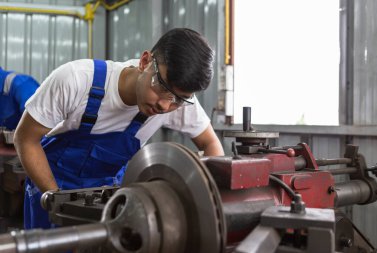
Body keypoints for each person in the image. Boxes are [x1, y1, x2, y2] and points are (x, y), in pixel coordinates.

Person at [14, 28, 225, 229]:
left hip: (110, 196)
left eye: (179, 99)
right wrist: (56, 198)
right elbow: (25, 139)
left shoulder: (177, 101)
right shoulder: (76, 80)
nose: (165, 105)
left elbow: (211, 144)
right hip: (51, 184)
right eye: (161, 87)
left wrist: (207, 202)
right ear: (144, 62)